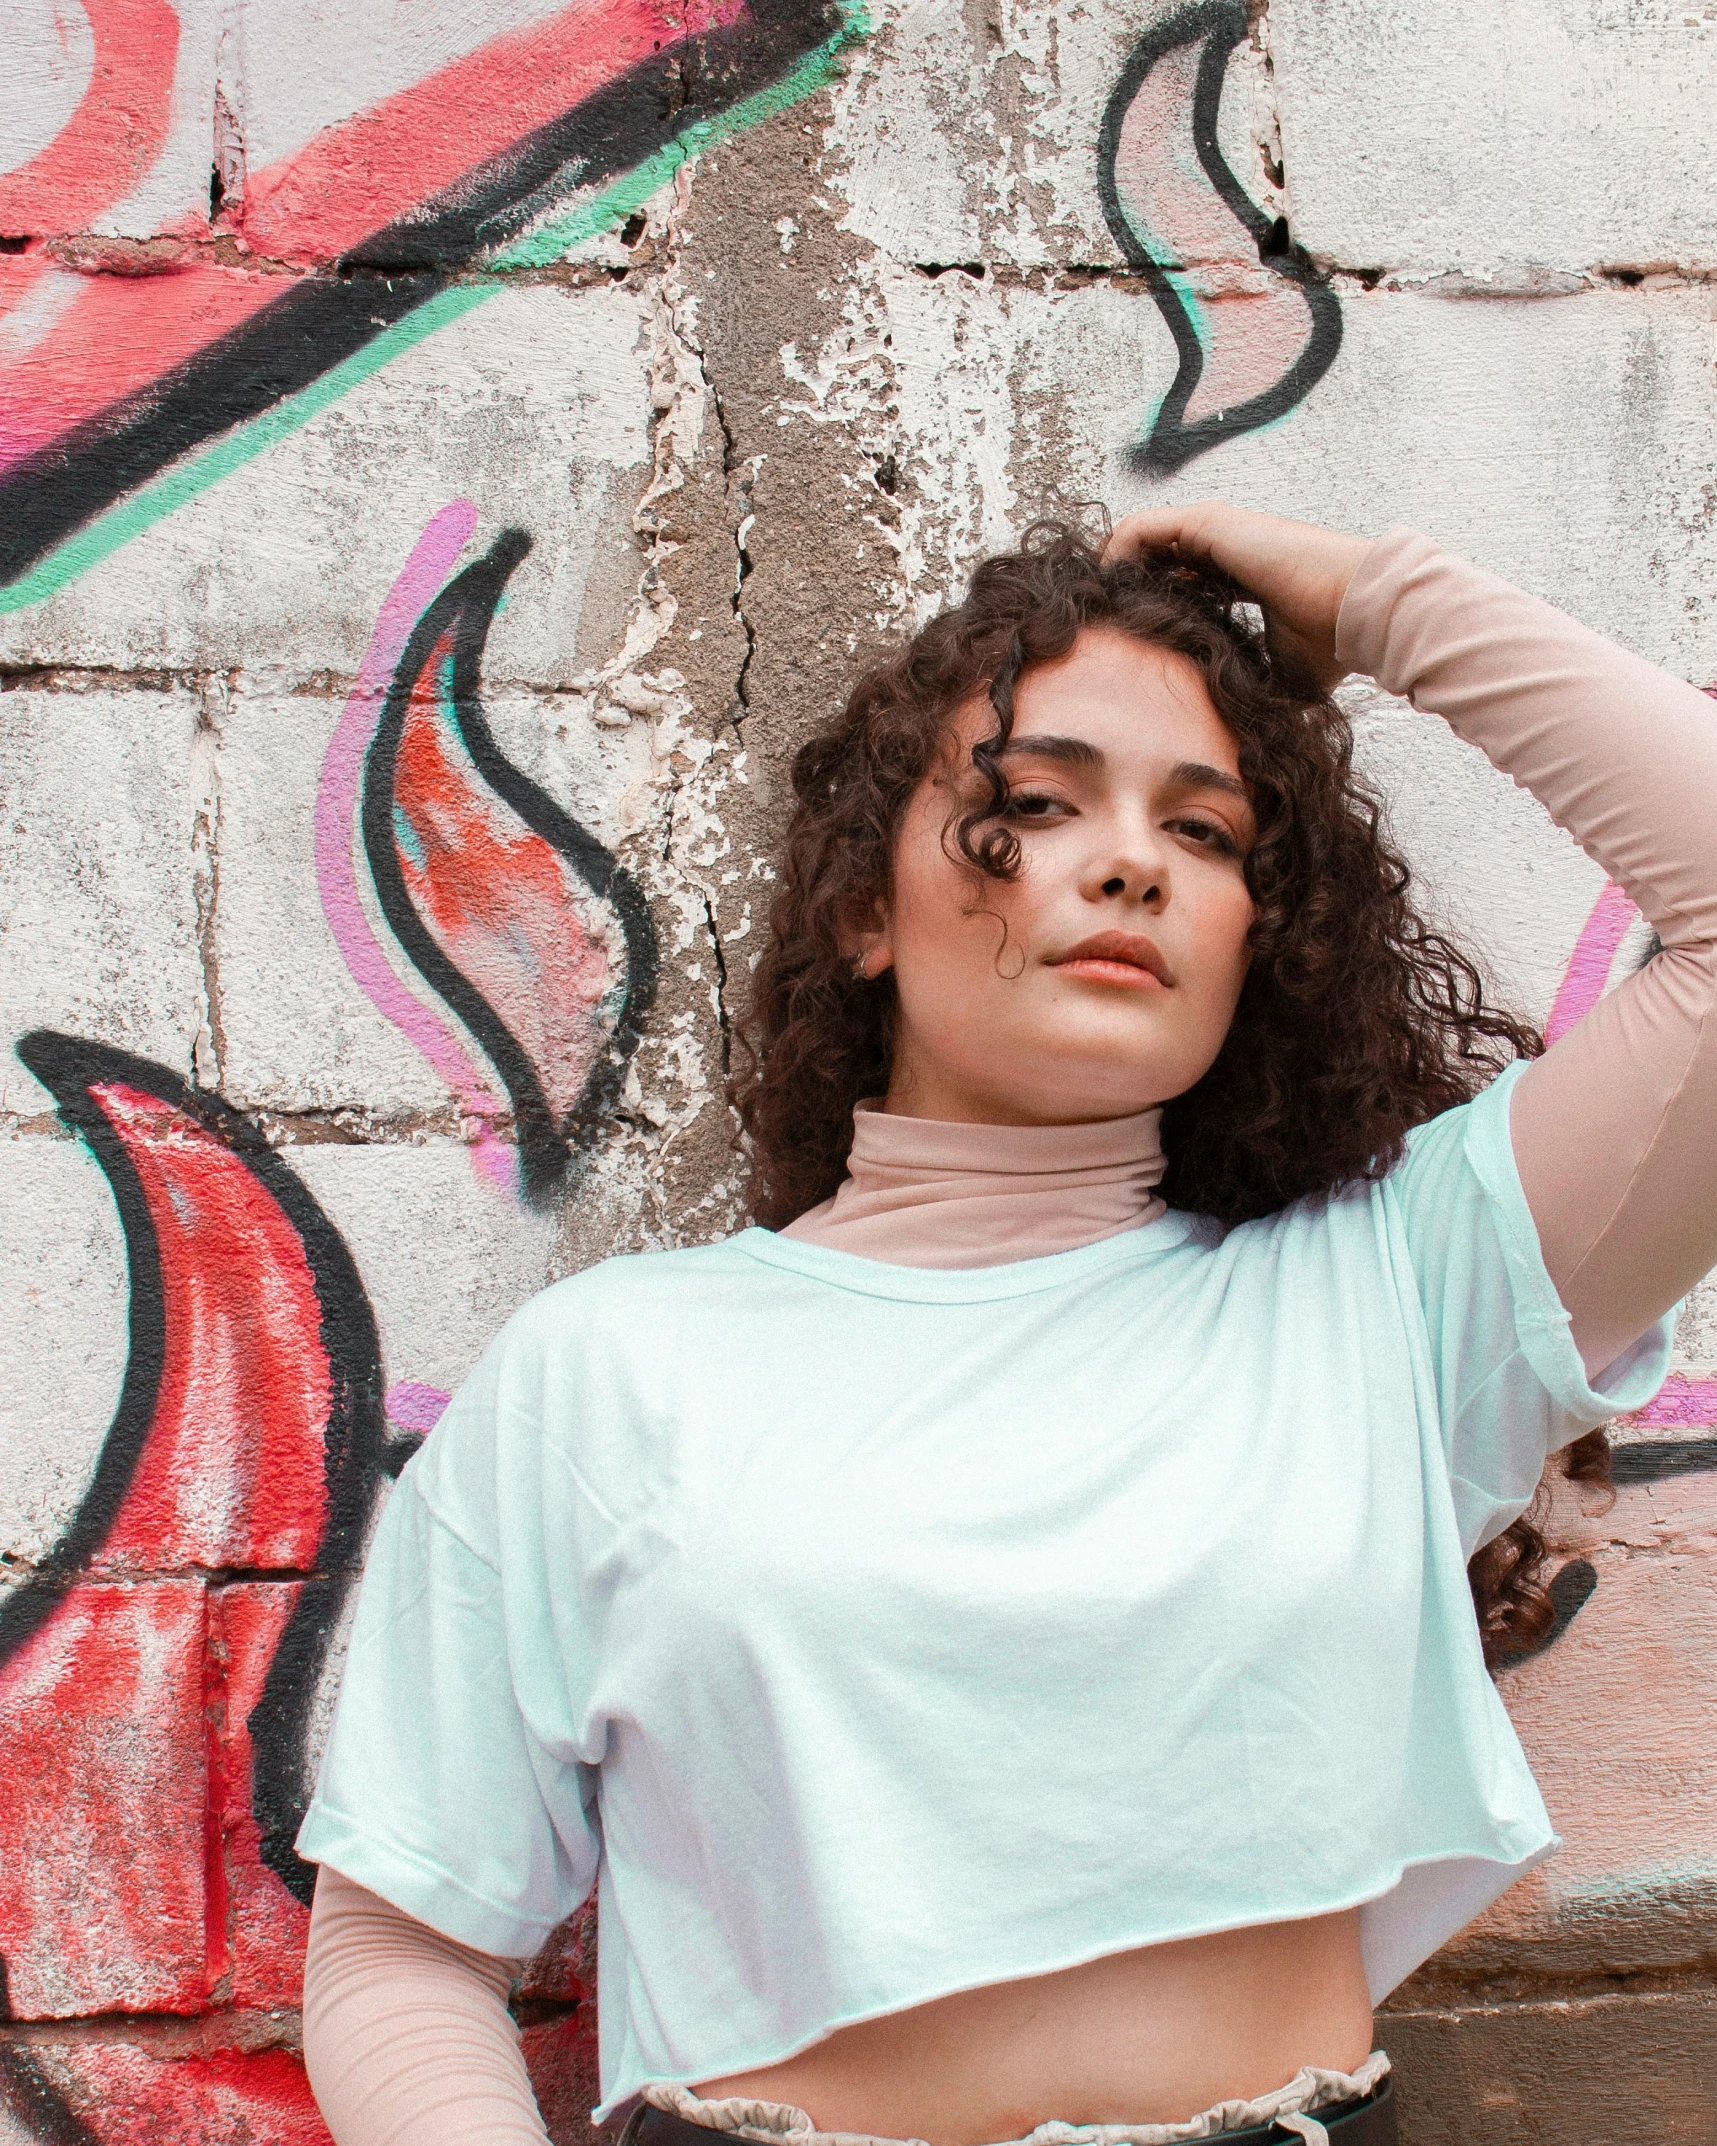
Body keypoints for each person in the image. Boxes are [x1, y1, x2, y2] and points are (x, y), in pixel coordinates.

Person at [296, 503, 1717, 2146]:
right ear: (863, 911)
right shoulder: (607, 1373)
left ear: (1261, 932)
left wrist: (1382, 601)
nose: (1127, 860)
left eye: (1205, 833)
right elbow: (403, 1949)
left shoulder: (1390, 1291)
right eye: (1035, 805)